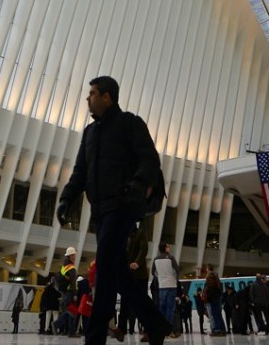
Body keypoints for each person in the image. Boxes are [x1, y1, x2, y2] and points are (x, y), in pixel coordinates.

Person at [56, 76, 174, 345]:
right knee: (119, 274)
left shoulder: (130, 124)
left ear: (107, 96)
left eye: (92, 93)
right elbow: (80, 172)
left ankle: (95, 337)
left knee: (106, 266)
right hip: (101, 210)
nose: (88, 98)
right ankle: (156, 324)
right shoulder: (89, 133)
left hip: (123, 207)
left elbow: (149, 159)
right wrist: (66, 198)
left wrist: (137, 184)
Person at [152, 242, 181, 335]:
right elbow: (177, 270)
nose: (169, 248)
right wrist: (175, 279)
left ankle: (162, 328)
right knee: (170, 308)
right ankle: (169, 329)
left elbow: (153, 272)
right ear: (165, 248)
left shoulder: (155, 259)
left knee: (162, 308)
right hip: (171, 285)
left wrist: (160, 277)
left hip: (162, 285)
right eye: (168, 246)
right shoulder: (171, 258)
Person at [203, 265, 227, 336]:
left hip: (212, 298)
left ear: (208, 269)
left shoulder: (210, 277)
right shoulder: (216, 276)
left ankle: (217, 330)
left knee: (215, 314)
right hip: (217, 298)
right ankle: (222, 329)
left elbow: (210, 288)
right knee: (218, 314)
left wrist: (208, 296)